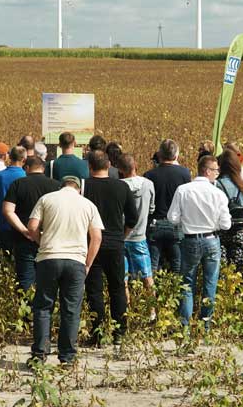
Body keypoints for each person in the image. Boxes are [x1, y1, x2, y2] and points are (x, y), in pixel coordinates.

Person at [26, 176, 103, 366]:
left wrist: (41, 242)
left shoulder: (46, 199)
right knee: (71, 310)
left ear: (61, 186)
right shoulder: (88, 204)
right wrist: (87, 263)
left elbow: (32, 227)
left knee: (43, 306)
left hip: (49, 258)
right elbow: (97, 237)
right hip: (76, 260)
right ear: (79, 188)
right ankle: (67, 357)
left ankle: (39, 354)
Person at [168, 155, 232, 333]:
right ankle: (206, 325)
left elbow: (172, 218)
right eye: (216, 170)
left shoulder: (183, 190)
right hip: (211, 239)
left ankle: (185, 326)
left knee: (187, 283)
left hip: (190, 239)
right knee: (210, 283)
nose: (217, 174)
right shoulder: (218, 194)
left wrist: (186, 220)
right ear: (207, 171)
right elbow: (226, 224)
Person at [82, 150, 138, 345]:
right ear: (109, 166)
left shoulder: (84, 186)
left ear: (90, 166)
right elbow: (133, 218)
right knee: (117, 288)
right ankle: (119, 332)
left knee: (94, 289)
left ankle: (96, 333)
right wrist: (122, 235)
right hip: (115, 242)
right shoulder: (122, 186)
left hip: (91, 242)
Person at [4, 155, 63, 291]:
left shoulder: (18, 184)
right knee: (49, 279)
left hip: (24, 238)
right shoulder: (56, 185)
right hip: (49, 238)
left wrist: (24, 230)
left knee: (26, 279)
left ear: (26, 168)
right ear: (43, 168)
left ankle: (27, 303)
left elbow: (7, 211)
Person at [116, 152, 156, 319]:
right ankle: (152, 311)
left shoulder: (118, 186)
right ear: (135, 166)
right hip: (139, 236)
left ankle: (127, 311)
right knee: (147, 276)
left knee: (123, 278)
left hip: (121, 236)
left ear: (120, 169)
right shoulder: (148, 184)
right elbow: (152, 208)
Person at [145, 139, 191, 274]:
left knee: (153, 264)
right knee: (177, 264)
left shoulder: (149, 175)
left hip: (155, 223)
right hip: (176, 224)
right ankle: (176, 286)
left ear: (159, 155)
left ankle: (151, 287)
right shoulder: (184, 173)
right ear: (176, 155)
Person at [214, 149, 243, 271]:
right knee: (237, 267)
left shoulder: (216, 184)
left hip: (221, 230)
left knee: (221, 267)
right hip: (238, 230)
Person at [0, 146, 28, 255]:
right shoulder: (25, 176)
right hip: (22, 224)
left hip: (3, 222)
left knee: (5, 255)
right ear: (24, 160)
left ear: (10, 157)